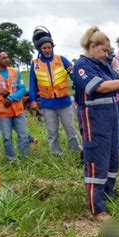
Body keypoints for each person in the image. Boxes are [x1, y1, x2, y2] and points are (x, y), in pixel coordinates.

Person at [73, 26, 119, 221]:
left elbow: (117, 82)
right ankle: (97, 208)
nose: (106, 54)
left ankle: (108, 195)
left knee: (112, 160)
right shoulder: (82, 66)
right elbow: (101, 87)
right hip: (94, 119)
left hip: (111, 118)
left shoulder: (104, 65)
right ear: (92, 46)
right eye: (103, 50)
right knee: (97, 162)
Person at [29, 26, 81, 155]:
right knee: (52, 132)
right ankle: (56, 154)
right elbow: (32, 84)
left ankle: (75, 151)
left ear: (52, 47)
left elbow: (75, 76)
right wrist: (33, 100)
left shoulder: (61, 59)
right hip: (47, 104)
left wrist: (72, 72)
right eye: (44, 48)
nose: (47, 50)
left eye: (49, 47)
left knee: (71, 130)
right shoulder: (35, 64)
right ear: (40, 49)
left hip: (64, 102)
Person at [0, 51, 29, 161]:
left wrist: (11, 98)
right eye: (4, 58)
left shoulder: (15, 72)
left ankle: (25, 158)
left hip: (18, 110)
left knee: (23, 135)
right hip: (3, 112)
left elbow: (22, 89)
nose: (7, 59)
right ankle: (11, 159)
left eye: (7, 57)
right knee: (7, 137)